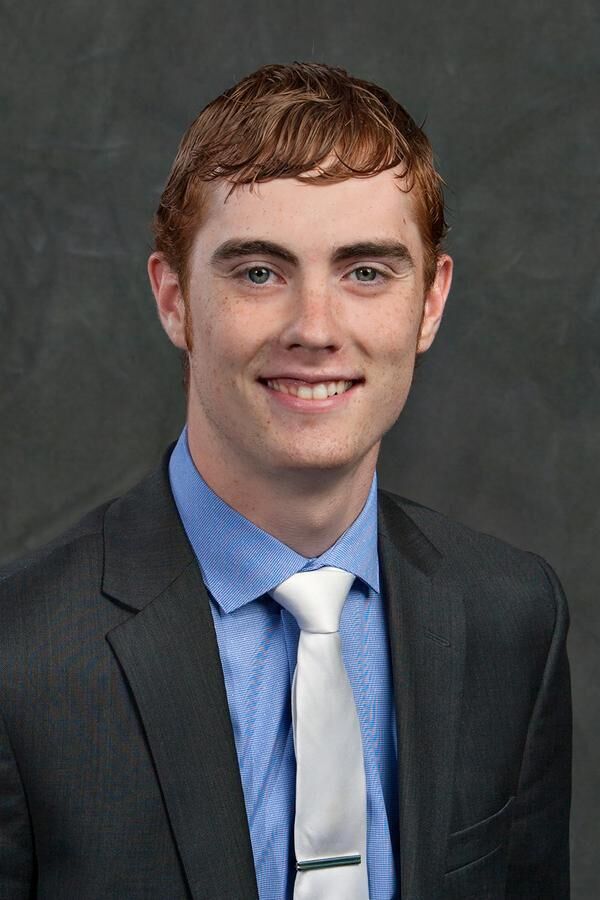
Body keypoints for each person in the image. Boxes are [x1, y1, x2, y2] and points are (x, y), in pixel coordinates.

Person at [0, 62, 571, 900]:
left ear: (430, 302)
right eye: (259, 272)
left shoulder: (511, 617)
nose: (315, 328)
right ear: (174, 300)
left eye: (366, 271)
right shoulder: (19, 660)